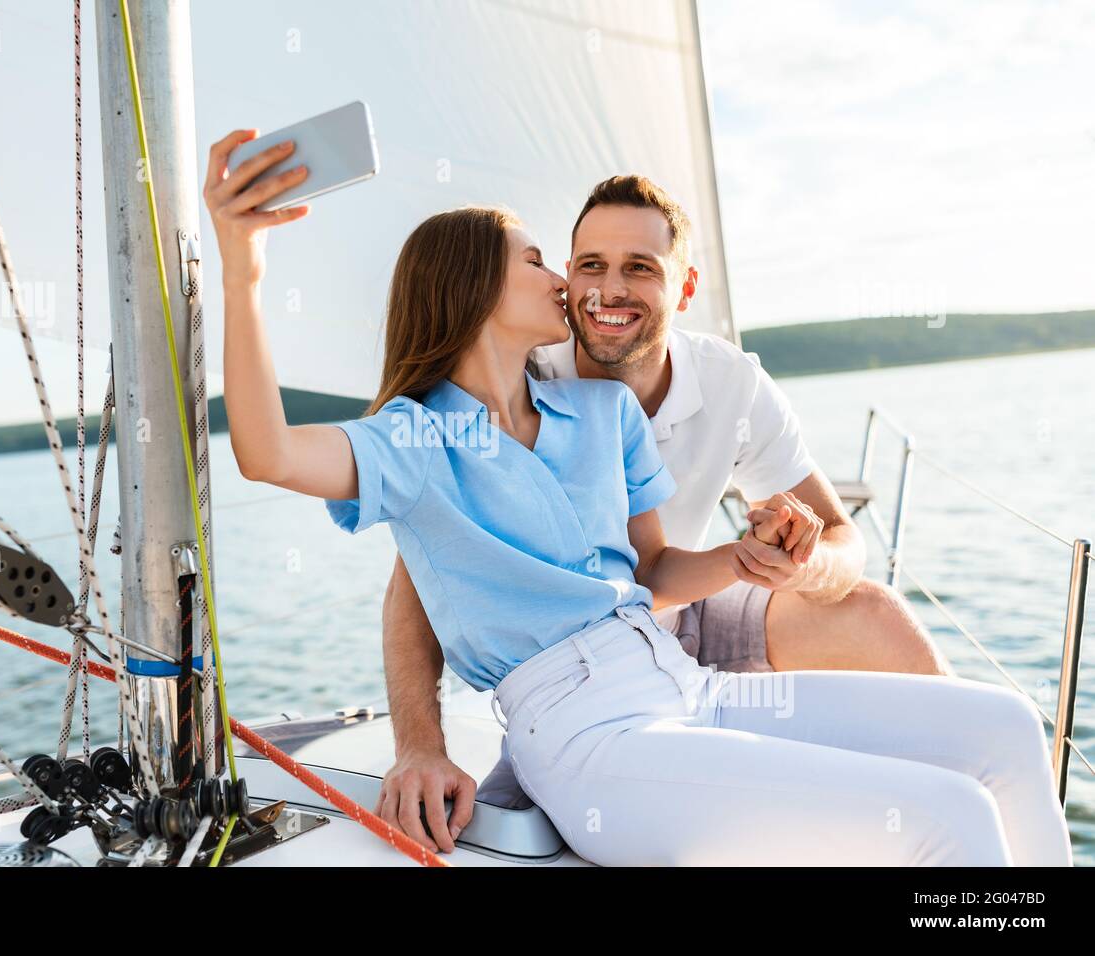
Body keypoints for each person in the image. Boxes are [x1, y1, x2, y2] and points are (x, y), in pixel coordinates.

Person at [203, 131, 1072, 866]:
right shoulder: (415, 438)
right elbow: (267, 453)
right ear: (473, 292)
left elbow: (654, 567)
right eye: (545, 261)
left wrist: (749, 557)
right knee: (944, 815)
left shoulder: (599, 410)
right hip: (589, 739)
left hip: (680, 683)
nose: (570, 285)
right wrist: (242, 270)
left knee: (1005, 729)